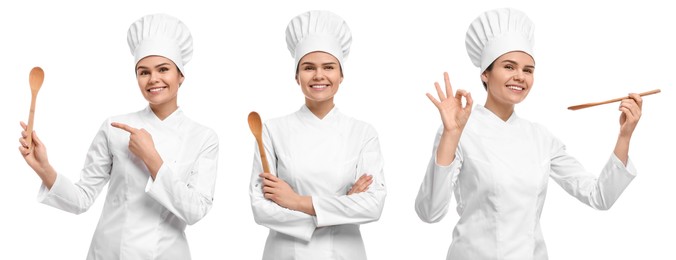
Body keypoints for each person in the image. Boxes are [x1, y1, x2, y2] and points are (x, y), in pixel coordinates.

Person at [414, 8, 642, 260]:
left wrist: (624, 135)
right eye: (509, 66)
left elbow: (599, 196)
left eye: (528, 70)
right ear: (485, 74)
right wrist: (451, 134)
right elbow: (429, 212)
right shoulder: (459, 130)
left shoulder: (540, 138)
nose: (520, 77)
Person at [18, 13, 219, 260]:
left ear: (181, 76)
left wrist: (152, 158)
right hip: (109, 252)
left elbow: (195, 211)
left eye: (163, 69)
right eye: (143, 72)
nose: (153, 79)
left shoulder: (203, 137)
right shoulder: (115, 126)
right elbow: (81, 199)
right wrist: (44, 168)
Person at [249, 10, 387, 260]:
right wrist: (342, 206)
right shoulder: (271, 129)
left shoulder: (363, 133)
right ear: (297, 76)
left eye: (329, 67)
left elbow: (373, 205)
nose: (319, 75)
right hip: (286, 253)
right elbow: (261, 208)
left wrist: (295, 201)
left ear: (341, 75)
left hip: (344, 253)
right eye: (308, 67)